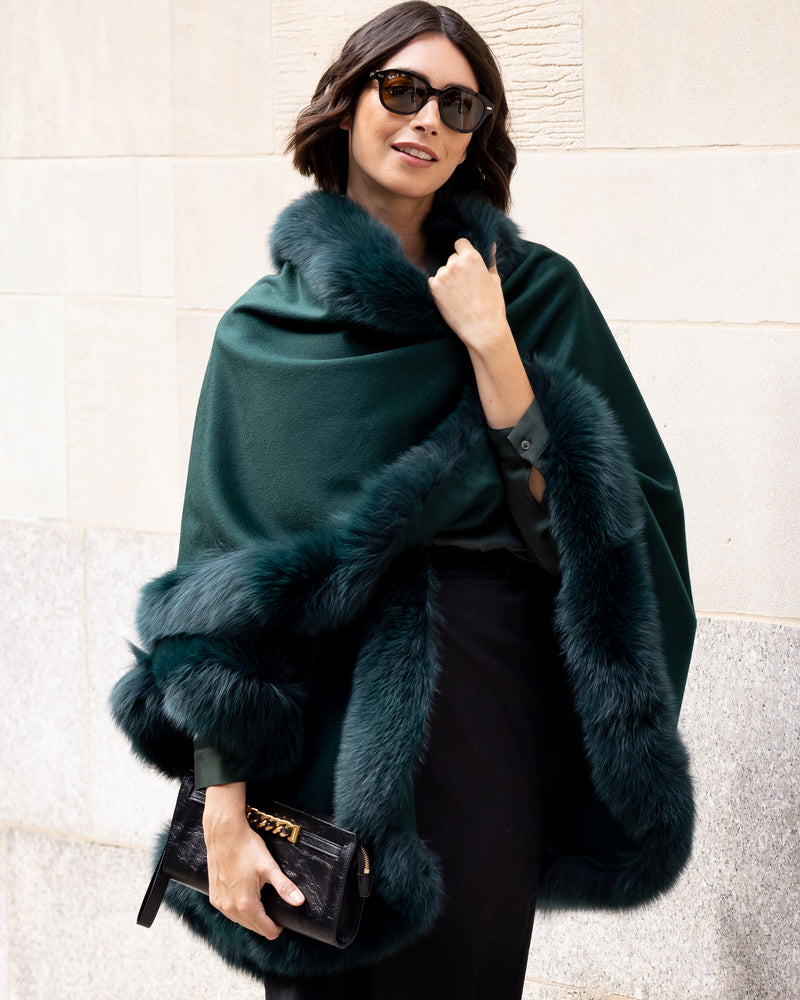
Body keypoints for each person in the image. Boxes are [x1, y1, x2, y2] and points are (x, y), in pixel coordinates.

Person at [111, 4, 696, 998]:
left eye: (458, 104)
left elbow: (595, 534)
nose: (427, 118)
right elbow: (209, 600)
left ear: (476, 138)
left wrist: (492, 343)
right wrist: (219, 809)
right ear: (346, 106)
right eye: (402, 89)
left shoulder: (535, 295)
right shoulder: (257, 333)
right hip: (314, 733)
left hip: (481, 714)